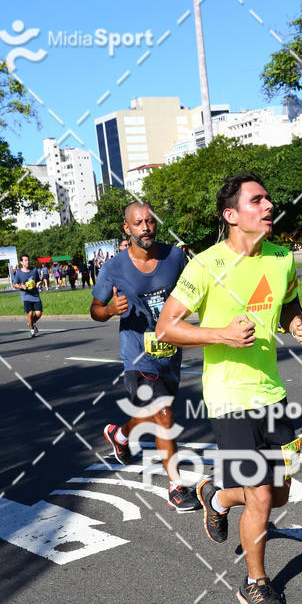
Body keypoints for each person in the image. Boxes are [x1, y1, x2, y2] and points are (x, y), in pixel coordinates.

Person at [156, 172, 302, 604]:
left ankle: (219, 498)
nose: (268, 206)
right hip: (228, 395)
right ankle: (254, 584)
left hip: (273, 392)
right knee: (261, 494)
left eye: (268, 198)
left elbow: (288, 302)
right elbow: (166, 327)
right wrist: (220, 334)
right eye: (256, 200)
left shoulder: (281, 257)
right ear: (231, 215)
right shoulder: (205, 265)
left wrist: (294, 324)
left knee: (280, 494)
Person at [90, 202, 200, 512]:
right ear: (127, 229)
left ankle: (120, 435)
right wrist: (111, 310)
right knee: (164, 414)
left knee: (156, 414)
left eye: (150, 221)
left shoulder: (175, 257)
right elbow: (95, 309)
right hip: (137, 354)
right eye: (138, 223)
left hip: (169, 350)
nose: (146, 227)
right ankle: (176, 487)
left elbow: (195, 290)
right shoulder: (113, 267)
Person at [13, 253, 43, 338]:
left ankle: (30, 322)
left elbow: (39, 280)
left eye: (28, 260)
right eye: (25, 260)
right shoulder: (19, 273)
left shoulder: (34, 270)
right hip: (26, 296)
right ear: (21, 262)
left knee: (38, 314)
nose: (27, 262)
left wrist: (38, 284)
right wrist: (21, 286)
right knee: (30, 313)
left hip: (35, 295)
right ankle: (32, 330)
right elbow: (15, 284)